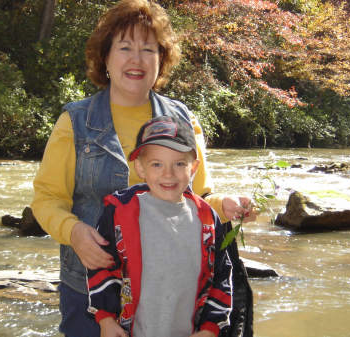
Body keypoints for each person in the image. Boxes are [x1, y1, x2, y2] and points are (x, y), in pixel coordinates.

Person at [31, 0, 255, 336]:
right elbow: (46, 199)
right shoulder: (75, 122)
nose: (136, 60)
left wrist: (226, 205)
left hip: (176, 295)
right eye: (124, 48)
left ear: (160, 61)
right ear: (105, 58)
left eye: (148, 49)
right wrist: (74, 233)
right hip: (94, 294)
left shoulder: (183, 120)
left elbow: (200, 197)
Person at [87, 115, 232, 337]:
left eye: (179, 164)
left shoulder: (208, 220)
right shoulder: (119, 212)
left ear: (193, 168)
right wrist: (105, 319)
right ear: (140, 168)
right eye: (157, 164)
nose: (168, 174)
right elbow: (101, 265)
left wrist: (211, 328)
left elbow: (222, 275)